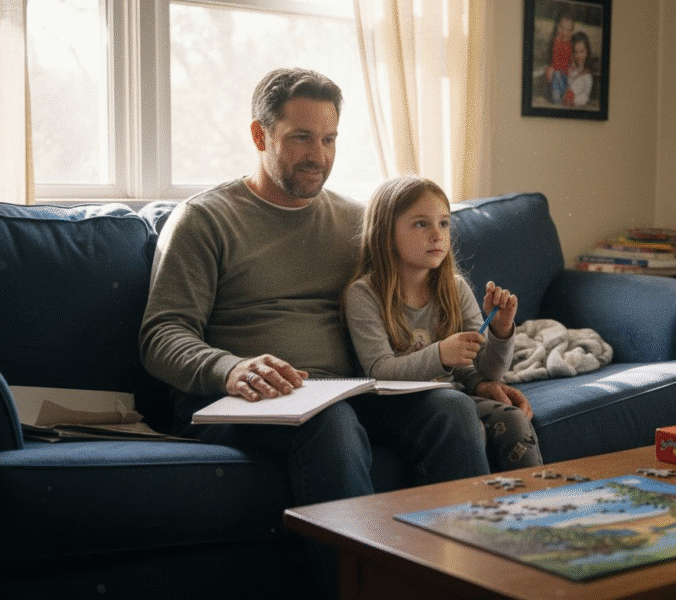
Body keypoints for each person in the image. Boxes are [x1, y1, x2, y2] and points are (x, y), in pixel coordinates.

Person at [140, 68, 491, 505]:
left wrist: (479, 381)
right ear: (259, 135)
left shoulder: (356, 222)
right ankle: (352, 554)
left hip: (347, 392)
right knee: (332, 422)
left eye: (329, 140)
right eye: (301, 138)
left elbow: (417, 304)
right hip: (236, 400)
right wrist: (230, 369)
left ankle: (470, 548)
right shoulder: (205, 220)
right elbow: (162, 335)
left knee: (451, 410)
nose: (318, 156)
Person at [343, 175, 542, 472]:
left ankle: (533, 499)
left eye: (444, 223)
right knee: (465, 423)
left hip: (454, 399)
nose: (437, 234)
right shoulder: (364, 294)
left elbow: (487, 372)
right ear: (386, 234)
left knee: (513, 419)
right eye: (421, 224)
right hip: (395, 407)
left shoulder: (455, 288)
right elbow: (379, 371)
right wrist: (441, 354)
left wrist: (500, 332)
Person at [546, 11, 575, 104]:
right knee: (556, 76)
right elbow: (554, 58)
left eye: (568, 30)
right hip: (557, 72)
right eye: (562, 28)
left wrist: (572, 67)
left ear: (571, 32)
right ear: (558, 27)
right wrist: (551, 68)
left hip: (566, 74)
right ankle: (557, 98)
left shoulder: (571, 45)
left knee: (565, 80)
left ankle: (564, 96)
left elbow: (572, 60)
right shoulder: (556, 41)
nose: (564, 32)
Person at [561, 31, 594, 107]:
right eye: (576, 52)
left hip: (581, 93)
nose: (579, 55)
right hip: (571, 93)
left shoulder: (586, 73)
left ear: (587, 51)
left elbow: (582, 80)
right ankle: (568, 97)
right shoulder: (572, 66)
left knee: (581, 84)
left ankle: (569, 97)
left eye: (581, 51)